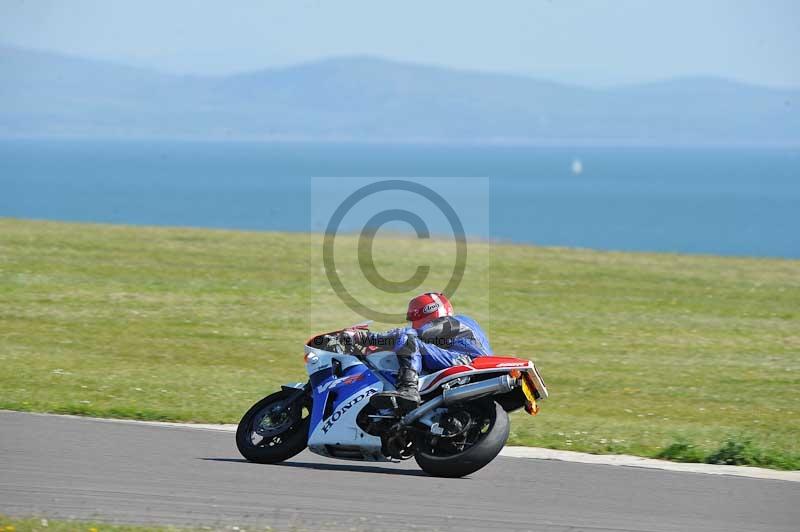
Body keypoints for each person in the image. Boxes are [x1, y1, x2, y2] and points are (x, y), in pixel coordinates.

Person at [345, 292, 492, 411]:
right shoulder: (453, 332)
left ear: (429, 312)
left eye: (415, 319)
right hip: (465, 363)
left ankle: (408, 389)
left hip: (465, 362)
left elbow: (410, 335)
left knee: (407, 339)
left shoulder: (451, 321)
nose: (413, 324)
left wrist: (363, 337)